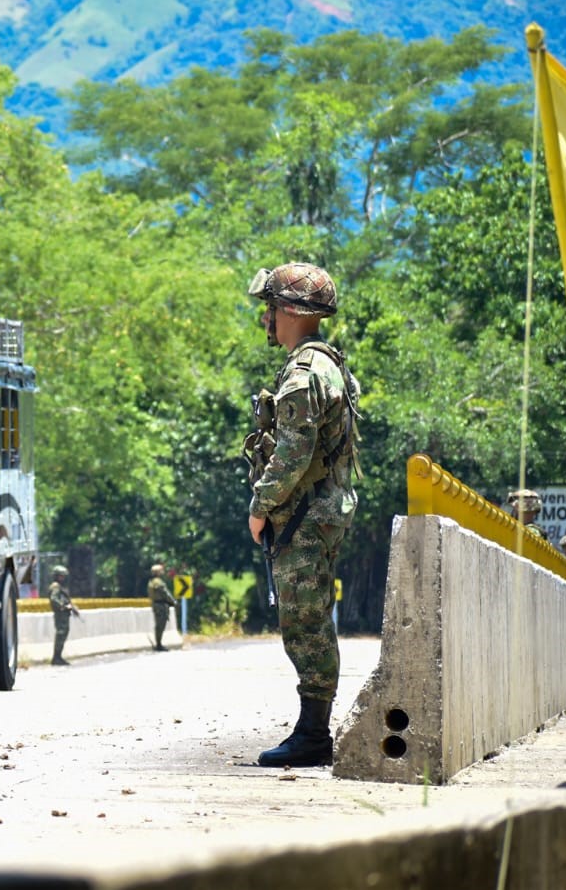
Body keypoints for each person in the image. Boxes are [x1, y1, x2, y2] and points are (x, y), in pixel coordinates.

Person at [245, 262, 361, 769]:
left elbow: (294, 450)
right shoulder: (330, 363)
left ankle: (314, 736)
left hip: (304, 516)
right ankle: (312, 729)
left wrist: (260, 505)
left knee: (306, 622)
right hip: (321, 510)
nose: (267, 318)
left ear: (290, 312)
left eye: (271, 308)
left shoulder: (304, 372)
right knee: (312, 618)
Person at [48, 564, 80, 665]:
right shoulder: (55, 586)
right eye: (60, 576)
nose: (62, 578)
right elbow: (53, 599)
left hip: (63, 615)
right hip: (60, 614)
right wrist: (64, 606)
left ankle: (58, 656)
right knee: (61, 634)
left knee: (63, 634)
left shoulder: (59, 587)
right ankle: (56, 657)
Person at [146, 563, 176, 651]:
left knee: (159, 625)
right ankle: (159, 645)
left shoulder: (152, 581)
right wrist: (173, 601)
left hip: (156, 605)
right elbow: (165, 593)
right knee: (160, 625)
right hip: (160, 605)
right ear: (158, 572)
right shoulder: (158, 582)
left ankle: (158, 643)